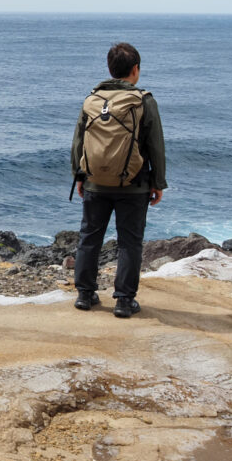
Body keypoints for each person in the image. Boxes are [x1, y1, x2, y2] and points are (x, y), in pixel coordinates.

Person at [70, 42, 167, 318]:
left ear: (110, 70)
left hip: (95, 182)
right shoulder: (144, 101)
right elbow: (156, 145)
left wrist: (79, 175)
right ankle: (124, 300)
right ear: (135, 70)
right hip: (134, 184)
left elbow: (79, 141)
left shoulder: (92, 100)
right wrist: (158, 182)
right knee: (129, 242)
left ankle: (85, 295)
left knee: (89, 237)